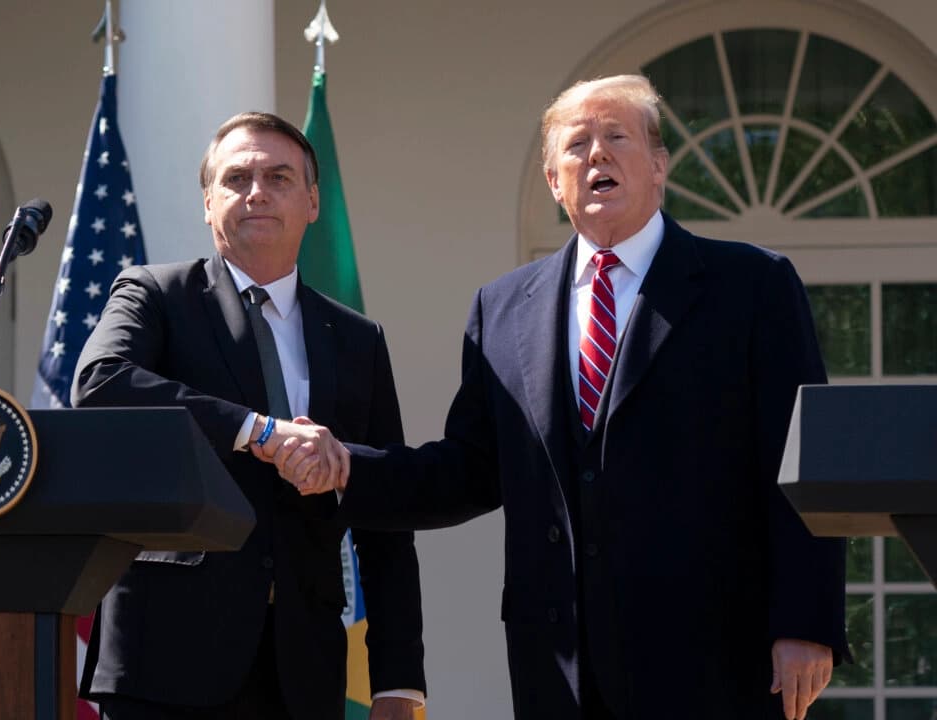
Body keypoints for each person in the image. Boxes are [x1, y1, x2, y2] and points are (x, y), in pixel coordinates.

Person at [261, 76, 848, 720]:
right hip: (558, 661)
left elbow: (805, 460)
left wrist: (806, 620)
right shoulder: (502, 307)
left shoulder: (752, 285)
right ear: (552, 180)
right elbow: (470, 469)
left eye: (617, 136)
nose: (597, 154)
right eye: (577, 144)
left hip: (713, 654)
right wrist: (345, 468)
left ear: (659, 165)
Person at [72, 111, 425, 720]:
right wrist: (258, 431)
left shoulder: (356, 339)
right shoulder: (155, 295)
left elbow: (383, 510)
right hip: (165, 661)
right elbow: (101, 381)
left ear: (312, 202)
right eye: (236, 178)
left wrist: (398, 680)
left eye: (279, 178)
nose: (257, 192)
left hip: (303, 669)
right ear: (208, 203)